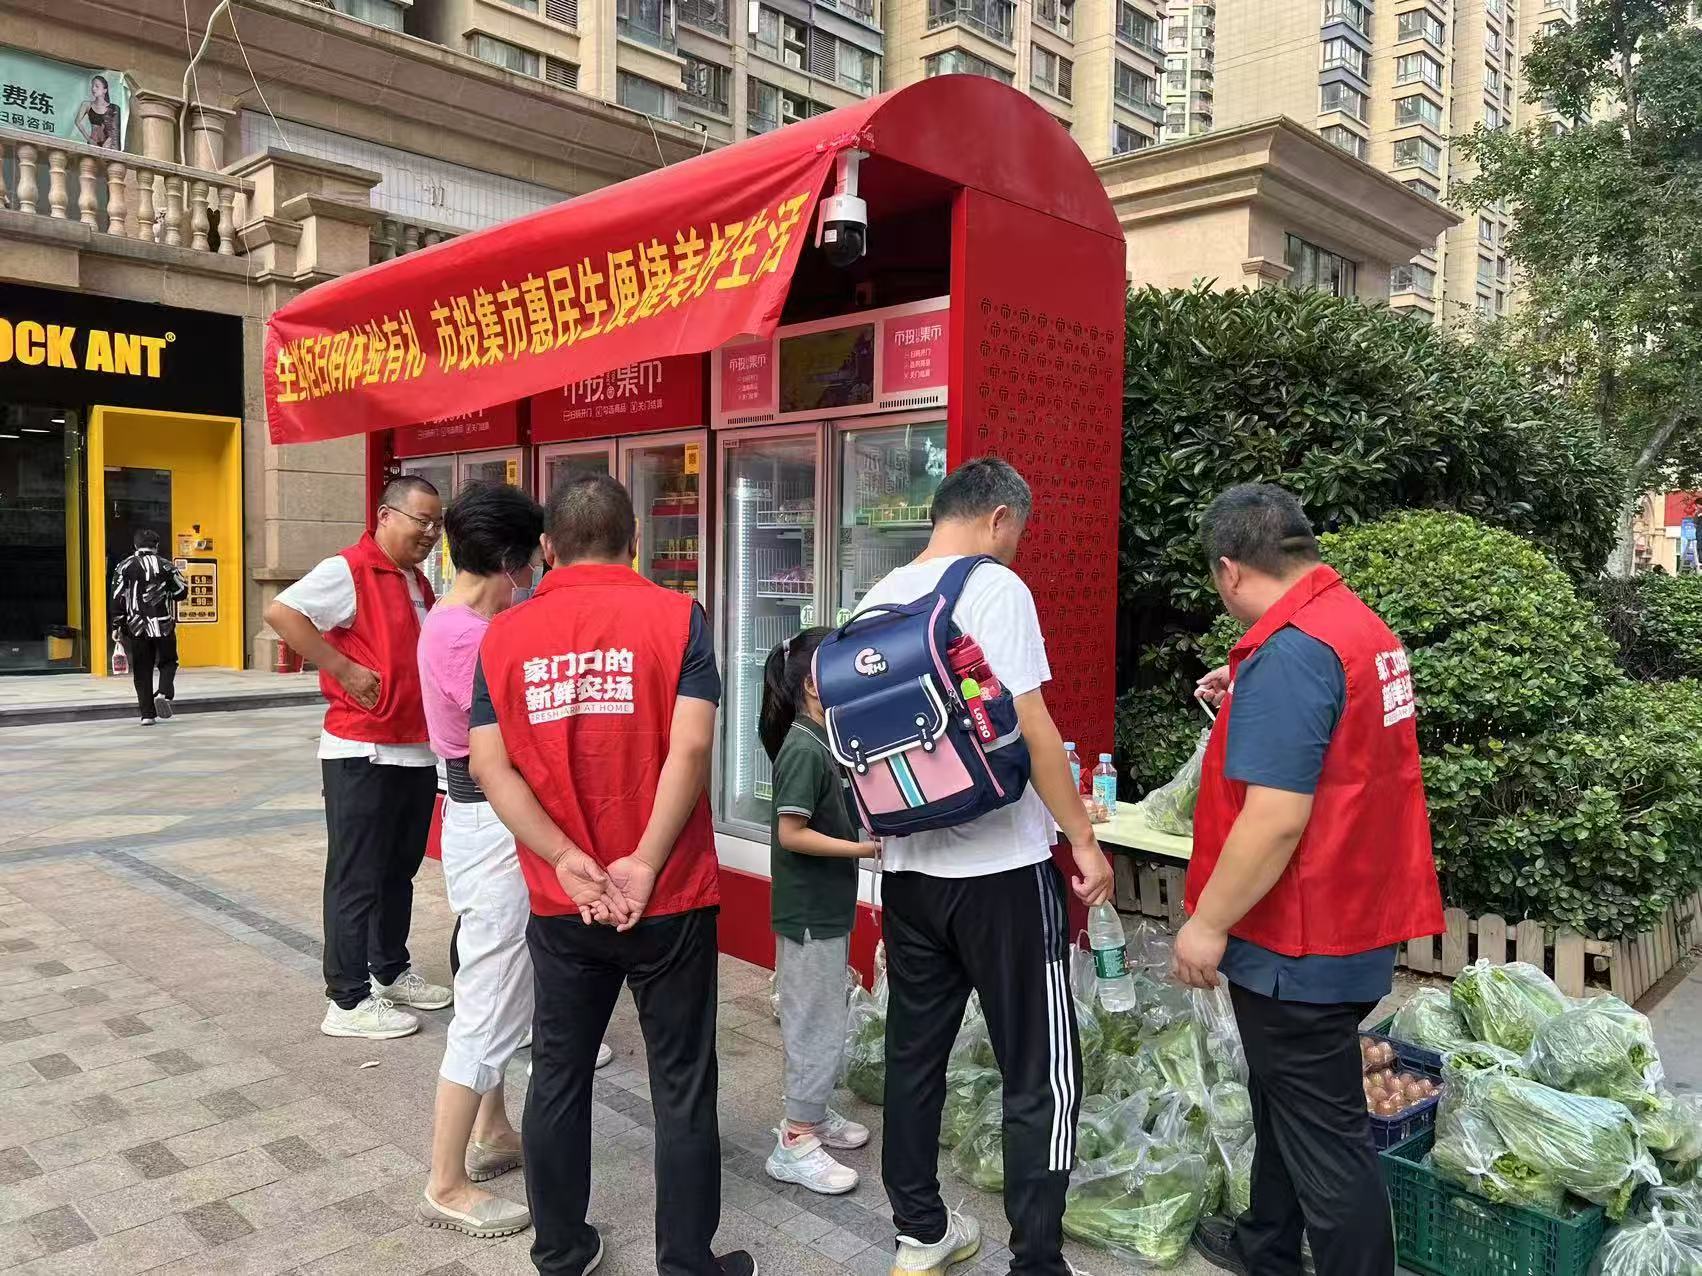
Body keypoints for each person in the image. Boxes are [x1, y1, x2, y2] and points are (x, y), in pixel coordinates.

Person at [469, 473, 755, 1276]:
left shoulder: (504, 635)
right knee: (682, 1082)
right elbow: (692, 747)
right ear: (634, 543)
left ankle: (561, 1250)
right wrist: (646, 862)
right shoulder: (679, 617)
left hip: (564, 901)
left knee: (558, 1073)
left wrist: (565, 858)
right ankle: (687, 1262)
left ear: (547, 547)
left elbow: (489, 767)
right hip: (670, 895)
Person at [854, 457, 1115, 1276]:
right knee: (1040, 1070)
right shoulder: (994, 588)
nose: (1015, 547)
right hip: (1003, 872)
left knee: (913, 1060)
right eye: (1018, 534)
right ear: (1000, 518)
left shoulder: (876, 598)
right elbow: (1033, 728)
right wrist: (1082, 839)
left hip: (908, 873)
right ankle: (1036, 1260)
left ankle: (919, 1233)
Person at [1174, 483, 1443, 1276]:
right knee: (1283, 1098)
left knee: (1329, 1145)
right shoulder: (1356, 628)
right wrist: (1249, 693)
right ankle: (1266, 1245)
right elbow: (1343, 745)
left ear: (1229, 570)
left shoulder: (1292, 653)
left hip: (1300, 941)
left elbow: (1276, 819)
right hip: (1353, 916)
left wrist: (1207, 923)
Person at [265, 475, 452, 1042]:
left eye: (437, 524)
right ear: (385, 516)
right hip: (362, 749)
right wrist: (342, 668)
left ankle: (389, 970)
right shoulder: (349, 569)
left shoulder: (416, 580)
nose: (430, 533)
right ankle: (346, 999)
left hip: (414, 748)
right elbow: (282, 612)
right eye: (421, 521)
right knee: (356, 876)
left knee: (398, 871)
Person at [412, 482, 544, 1240]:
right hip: (493, 821)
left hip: (480, 817)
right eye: (531, 561)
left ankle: (493, 1130)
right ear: (510, 561)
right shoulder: (469, 637)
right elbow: (512, 744)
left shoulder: (457, 618)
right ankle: (446, 1180)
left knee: (501, 979)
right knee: (489, 994)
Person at [757, 627, 879, 1197]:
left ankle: (814, 1112)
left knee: (826, 1014)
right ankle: (795, 1139)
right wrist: (862, 849)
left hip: (823, 908)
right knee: (814, 1023)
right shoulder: (804, 749)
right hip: (809, 913)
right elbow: (792, 833)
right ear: (813, 683)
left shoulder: (819, 739)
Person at [110, 529, 187, 725]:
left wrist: (117, 624)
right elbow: (181, 592)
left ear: (135, 545)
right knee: (169, 661)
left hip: (137, 626)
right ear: (156, 546)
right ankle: (163, 692)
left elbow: (117, 597)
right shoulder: (166, 566)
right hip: (163, 624)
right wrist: (164, 591)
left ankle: (147, 715)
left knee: (142, 670)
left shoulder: (124, 566)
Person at [74, 75, 122, 149]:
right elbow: (77, 121)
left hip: (108, 146)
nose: (93, 88)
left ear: (105, 90)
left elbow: (114, 130)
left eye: (97, 86)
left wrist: (107, 144)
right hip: (93, 143)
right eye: (92, 86)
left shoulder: (114, 108)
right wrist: (89, 139)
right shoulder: (86, 104)